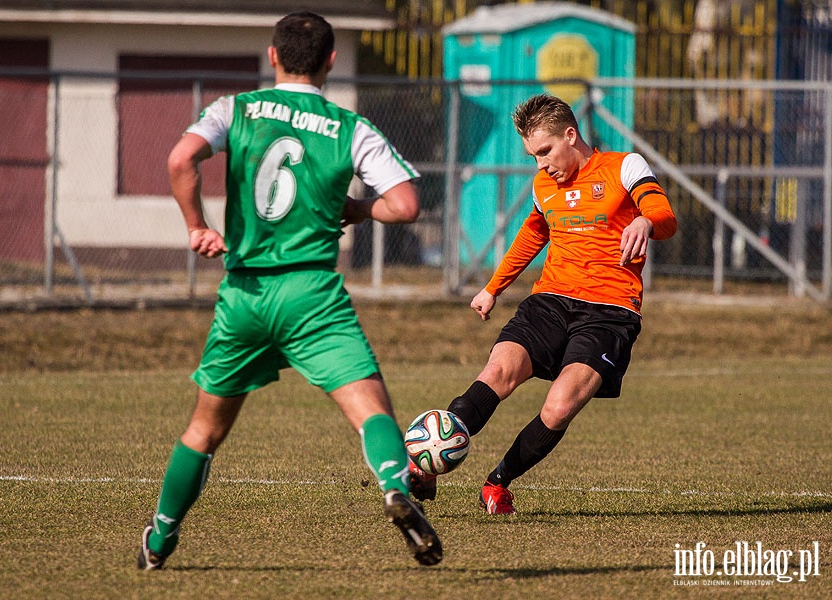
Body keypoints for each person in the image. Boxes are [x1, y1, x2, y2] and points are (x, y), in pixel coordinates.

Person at [137, 11, 442, 569]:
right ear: (329, 61)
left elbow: (181, 158)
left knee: (205, 429)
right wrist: (357, 207)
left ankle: (158, 540)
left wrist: (197, 227)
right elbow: (404, 205)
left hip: (246, 293)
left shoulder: (238, 109)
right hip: (312, 295)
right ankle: (396, 487)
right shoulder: (351, 127)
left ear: (272, 57)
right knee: (371, 410)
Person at [410, 94, 677, 514]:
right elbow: (533, 235)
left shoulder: (625, 166)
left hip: (610, 312)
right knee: (497, 372)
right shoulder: (543, 185)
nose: (540, 164)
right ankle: (425, 462)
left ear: (571, 135)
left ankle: (497, 483)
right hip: (549, 301)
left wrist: (644, 220)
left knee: (560, 405)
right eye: (533, 155)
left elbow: (665, 215)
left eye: (545, 151)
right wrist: (493, 288)